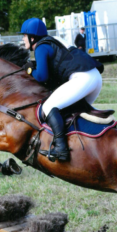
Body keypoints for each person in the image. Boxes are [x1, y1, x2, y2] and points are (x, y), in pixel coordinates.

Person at [20, 18, 103, 161]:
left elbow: (41, 76)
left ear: (32, 37)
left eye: (24, 35)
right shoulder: (53, 40)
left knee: (49, 106)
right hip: (94, 77)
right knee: (70, 111)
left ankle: (61, 150)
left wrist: (29, 70)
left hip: (82, 78)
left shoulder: (40, 47)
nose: (23, 39)